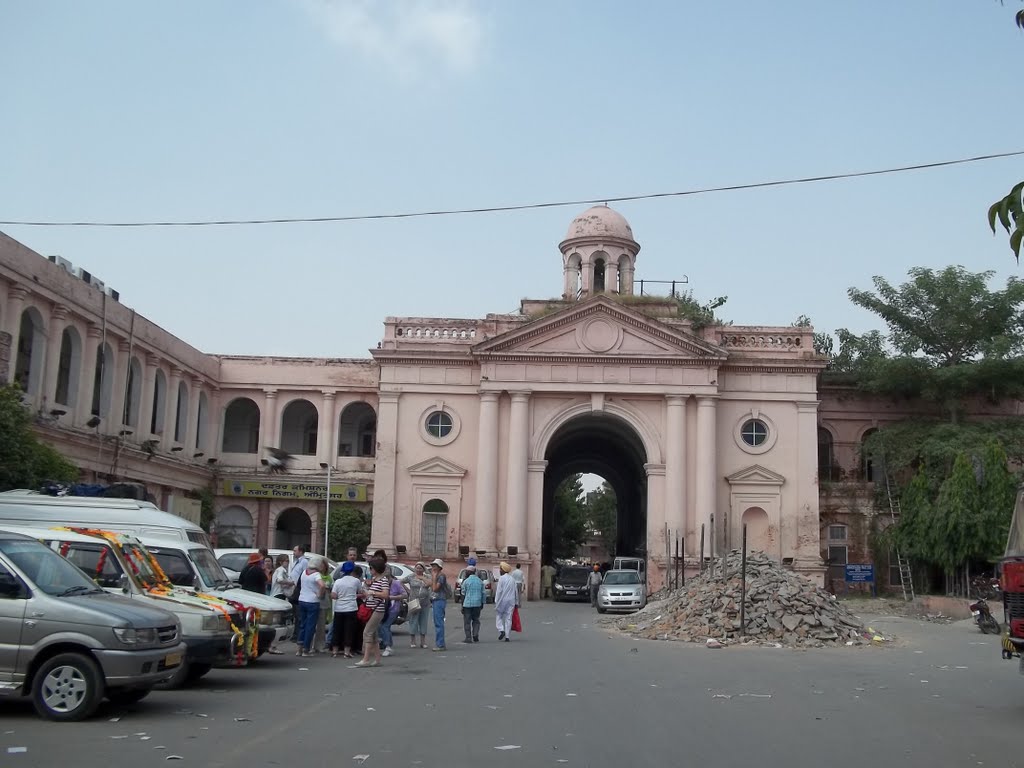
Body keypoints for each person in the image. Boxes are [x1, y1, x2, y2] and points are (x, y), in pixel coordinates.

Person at [356, 558, 390, 668]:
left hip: (377, 609)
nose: (369, 570)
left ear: (376, 568)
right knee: (374, 635)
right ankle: (377, 659)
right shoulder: (375, 579)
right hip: (372, 608)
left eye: (371, 568)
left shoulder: (383, 580)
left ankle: (366, 659)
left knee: (367, 633)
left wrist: (372, 592)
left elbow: (385, 594)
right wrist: (365, 593)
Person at [330, 561, 362, 659]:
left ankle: (334, 651)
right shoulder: (356, 581)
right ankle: (346, 652)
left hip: (339, 608)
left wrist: (341, 596)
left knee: (337, 630)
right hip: (351, 608)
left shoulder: (338, 581)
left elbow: (333, 595)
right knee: (349, 630)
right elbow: (360, 592)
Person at [297, 555, 327, 657]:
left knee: (303, 625)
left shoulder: (304, 573)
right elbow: (322, 585)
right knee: (310, 626)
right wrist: (320, 593)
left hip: (302, 600)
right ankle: (306, 649)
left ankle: (299, 649)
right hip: (312, 601)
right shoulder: (316, 574)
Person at [378, 567, 407, 657]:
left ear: (390, 572)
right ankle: (387, 643)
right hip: (383, 608)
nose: (385, 572)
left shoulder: (396, 583)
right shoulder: (381, 582)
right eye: (383, 570)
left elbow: (405, 594)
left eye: (387, 570)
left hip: (394, 608)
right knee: (382, 626)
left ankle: (388, 646)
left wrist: (392, 597)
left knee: (385, 626)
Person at [403, 562, 431, 649]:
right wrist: (407, 590)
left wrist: (422, 577)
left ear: (423, 569)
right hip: (414, 601)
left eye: (420, 568)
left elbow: (429, 584)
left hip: (424, 602)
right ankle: (412, 640)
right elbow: (400, 581)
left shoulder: (427, 577)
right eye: (417, 568)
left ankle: (423, 641)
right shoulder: (411, 576)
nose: (418, 570)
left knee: (423, 621)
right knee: (413, 621)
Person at [460, 565, 485, 643]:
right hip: (477, 604)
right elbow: (483, 593)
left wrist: (462, 605)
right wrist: (482, 603)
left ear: (468, 572)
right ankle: (475, 634)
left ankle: (468, 637)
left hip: (467, 604)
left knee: (467, 621)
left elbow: (463, 593)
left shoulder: (466, 581)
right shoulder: (480, 581)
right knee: (476, 620)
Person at [494, 562, 517, 642]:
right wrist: (516, 602)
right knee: (508, 618)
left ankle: (501, 630)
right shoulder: (512, 579)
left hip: (502, 601)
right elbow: (516, 591)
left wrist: (496, 601)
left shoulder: (501, 578)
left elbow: (499, 591)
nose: (499, 571)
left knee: (499, 616)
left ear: (503, 570)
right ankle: (507, 636)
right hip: (511, 601)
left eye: (500, 569)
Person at [429, 558, 448, 651]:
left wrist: (433, 577)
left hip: (439, 599)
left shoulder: (440, 576)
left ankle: (440, 644)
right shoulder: (437, 575)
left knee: (439, 622)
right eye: (432, 566)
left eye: (435, 566)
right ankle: (440, 643)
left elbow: (435, 588)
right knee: (437, 622)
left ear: (439, 567)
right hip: (436, 600)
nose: (433, 568)